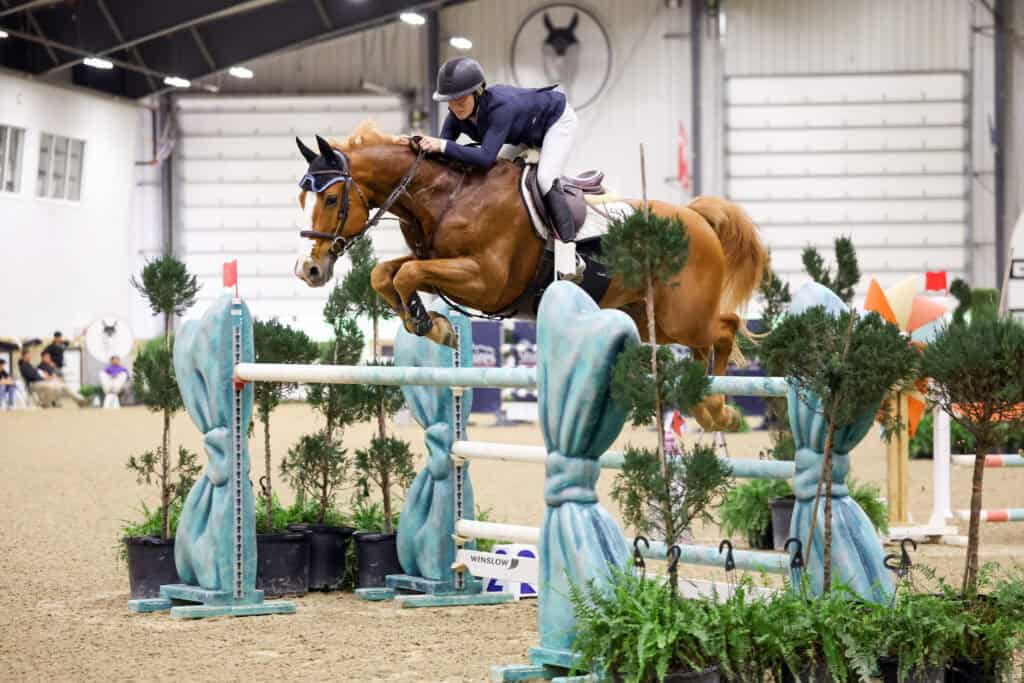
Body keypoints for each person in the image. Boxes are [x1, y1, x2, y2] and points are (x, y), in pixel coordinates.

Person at [418, 56, 583, 281]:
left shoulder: (500, 107)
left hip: (556, 121)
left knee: (545, 179)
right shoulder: (455, 116)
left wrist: (444, 145)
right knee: (497, 175)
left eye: (460, 99)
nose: (455, 106)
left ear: (478, 92)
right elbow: (442, 155)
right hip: (525, 134)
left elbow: (485, 157)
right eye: (450, 100)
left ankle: (569, 254)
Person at [18, 347, 86, 407]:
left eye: (30, 355)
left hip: (41, 382)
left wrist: (47, 377)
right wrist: (45, 378)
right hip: (33, 384)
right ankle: (45, 402)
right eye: (28, 355)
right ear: (24, 356)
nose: (30, 356)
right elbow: (33, 376)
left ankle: (80, 400)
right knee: (52, 386)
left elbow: (38, 374)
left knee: (62, 386)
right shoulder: (24, 366)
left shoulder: (30, 365)